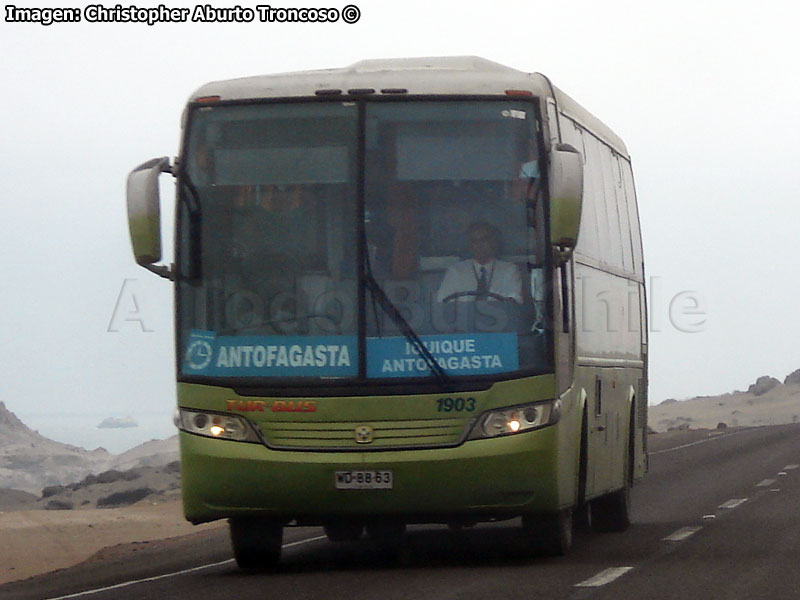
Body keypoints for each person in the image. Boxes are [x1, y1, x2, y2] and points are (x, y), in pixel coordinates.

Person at [436, 222, 523, 303]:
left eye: (483, 240)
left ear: (493, 242)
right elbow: (442, 303)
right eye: (474, 241)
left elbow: (515, 304)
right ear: (469, 245)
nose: (479, 245)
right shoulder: (456, 271)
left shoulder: (509, 270)